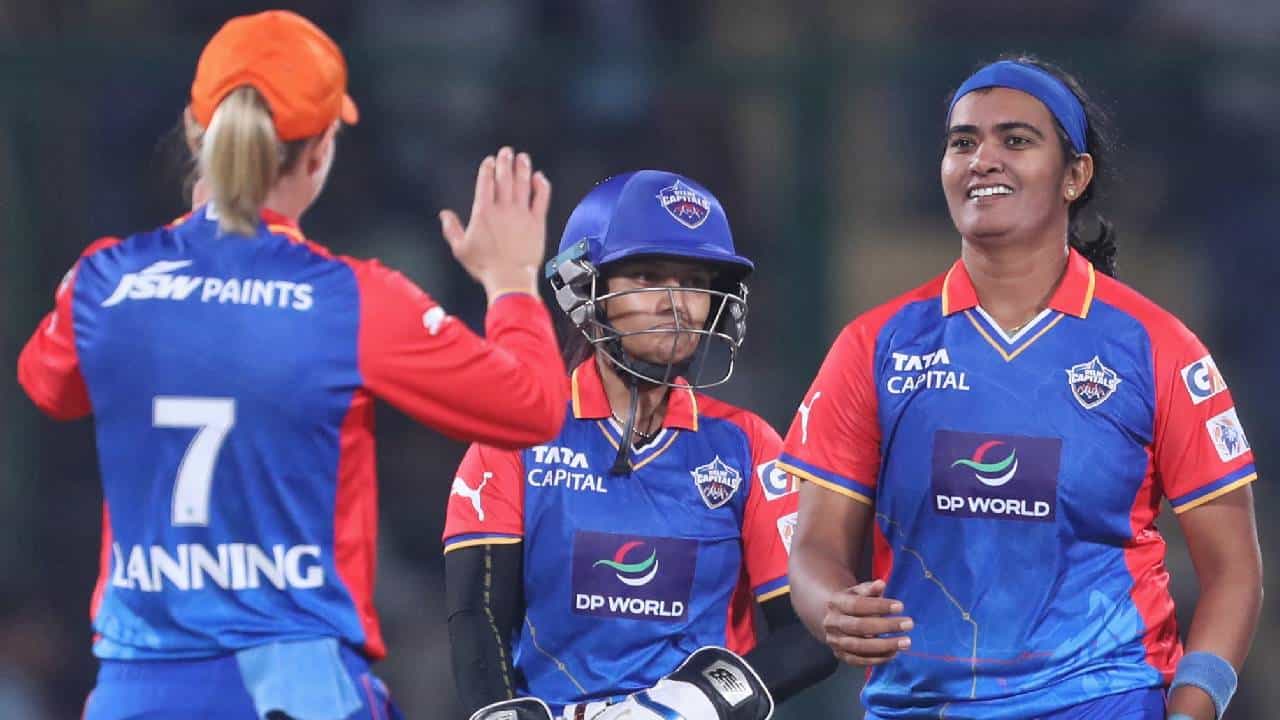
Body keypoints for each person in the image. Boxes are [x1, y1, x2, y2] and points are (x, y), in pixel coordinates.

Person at [16, 10, 568, 719]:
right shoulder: (352, 298)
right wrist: (512, 282)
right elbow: (533, 408)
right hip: (294, 690)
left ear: (195, 131)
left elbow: (48, 385)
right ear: (320, 153)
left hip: (138, 691)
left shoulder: (106, 280)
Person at [782, 55, 1262, 720]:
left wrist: (1192, 706)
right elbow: (814, 550)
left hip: (1105, 702)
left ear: (1075, 176)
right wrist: (831, 607)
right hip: (919, 705)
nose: (983, 160)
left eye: (1015, 140)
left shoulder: (1157, 348)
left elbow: (1235, 572)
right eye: (963, 142)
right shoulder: (874, 346)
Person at [443, 170, 836, 720]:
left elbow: (812, 630)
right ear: (584, 289)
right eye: (648, 277)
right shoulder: (515, 438)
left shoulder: (747, 446)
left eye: (695, 282)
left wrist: (692, 702)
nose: (676, 303)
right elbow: (476, 616)